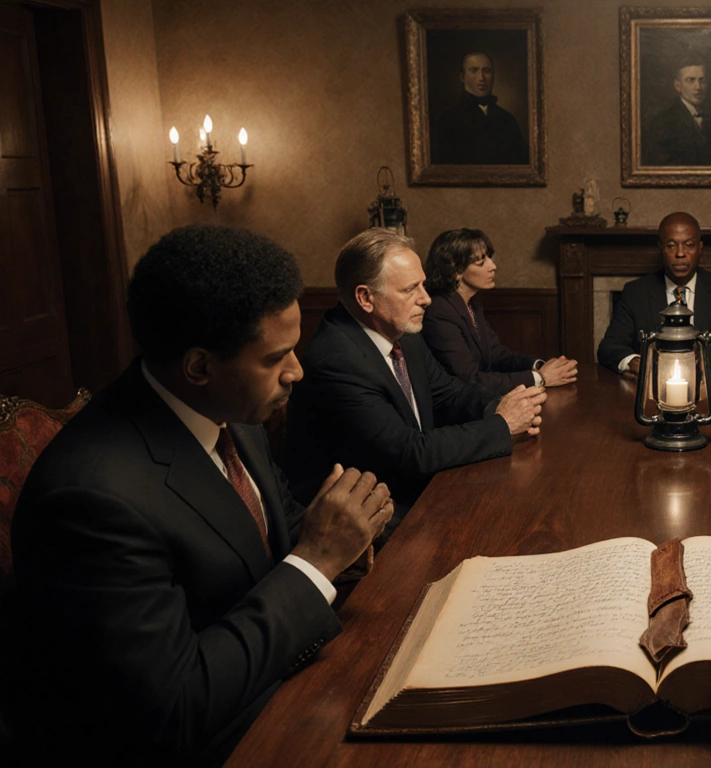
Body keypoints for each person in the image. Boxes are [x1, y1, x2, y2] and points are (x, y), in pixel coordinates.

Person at [6, 225, 394, 766]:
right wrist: (316, 562)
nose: (297, 371)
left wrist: (344, 542)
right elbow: (173, 709)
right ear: (199, 367)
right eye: (275, 357)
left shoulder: (233, 408)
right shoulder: (90, 498)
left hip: (279, 686)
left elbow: (273, 536)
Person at [283, 229, 546, 516]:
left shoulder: (402, 331)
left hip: (412, 490)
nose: (426, 299)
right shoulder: (335, 359)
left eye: (423, 285)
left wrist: (502, 407)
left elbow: (449, 392)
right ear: (365, 298)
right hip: (366, 517)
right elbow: (410, 454)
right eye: (410, 289)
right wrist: (503, 424)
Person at [597, 212, 711, 377]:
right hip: (654, 390)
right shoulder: (635, 292)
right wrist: (633, 362)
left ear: (700, 249)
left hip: (710, 391)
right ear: (660, 249)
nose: (680, 253)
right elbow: (609, 347)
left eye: (689, 245)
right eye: (671, 245)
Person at [421, 228, 577, 396]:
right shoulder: (438, 311)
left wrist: (539, 366)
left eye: (489, 257)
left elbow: (497, 355)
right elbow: (469, 379)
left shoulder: (472, 303)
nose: (493, 266)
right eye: (481, 261)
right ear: (456, 271)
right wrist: (540, 378)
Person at [430, 50, 529, 165]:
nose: (481, 78)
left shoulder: (508, 120)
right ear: (462, 77)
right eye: (474, 70)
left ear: (493, 76)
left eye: (486, 71)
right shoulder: (446, 121)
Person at [641, 62, 711, 166]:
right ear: (677, 86)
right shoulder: (662, 123)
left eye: (702, 81)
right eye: (690, 80)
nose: (698, 87)